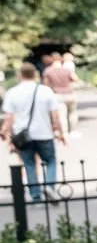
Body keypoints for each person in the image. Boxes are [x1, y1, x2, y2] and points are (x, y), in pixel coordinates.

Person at [3, 61, 67, 202]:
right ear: (35, 75)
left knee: (29, 164)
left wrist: (9, 136)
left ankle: (35, 195)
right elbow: (55, 115)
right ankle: (49, 186)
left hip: (23, 136)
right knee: (50, 161)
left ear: (19, 75)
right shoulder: (45, 91)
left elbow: (9, 118)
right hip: (44, 133)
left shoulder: (13, 93)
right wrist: (60, 132)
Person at [43, 51, 78, 137]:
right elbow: (75, 79)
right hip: (70, 94)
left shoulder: (48, 71)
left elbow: (45, 84)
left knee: (62, 115)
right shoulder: (67, 70)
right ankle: (73, 131)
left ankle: (64, 132)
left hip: (57, 95)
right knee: (72, 113)